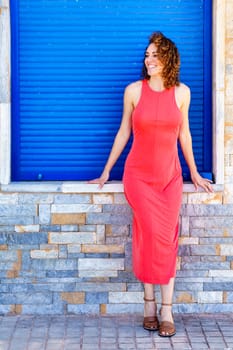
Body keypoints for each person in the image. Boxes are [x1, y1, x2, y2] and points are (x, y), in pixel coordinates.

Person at [89, 32, 213, 337]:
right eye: (147, 55)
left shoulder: (183, 93)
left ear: (168, 58)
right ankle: (148, 304)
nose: (149, 60)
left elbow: (184, 135)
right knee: (150, 235)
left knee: (167, 239)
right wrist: (106, 172)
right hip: (139, 178)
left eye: (155, 55)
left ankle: (165, 309)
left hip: (170, 178)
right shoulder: (133, 91)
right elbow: (123, 134)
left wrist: (194, 174)